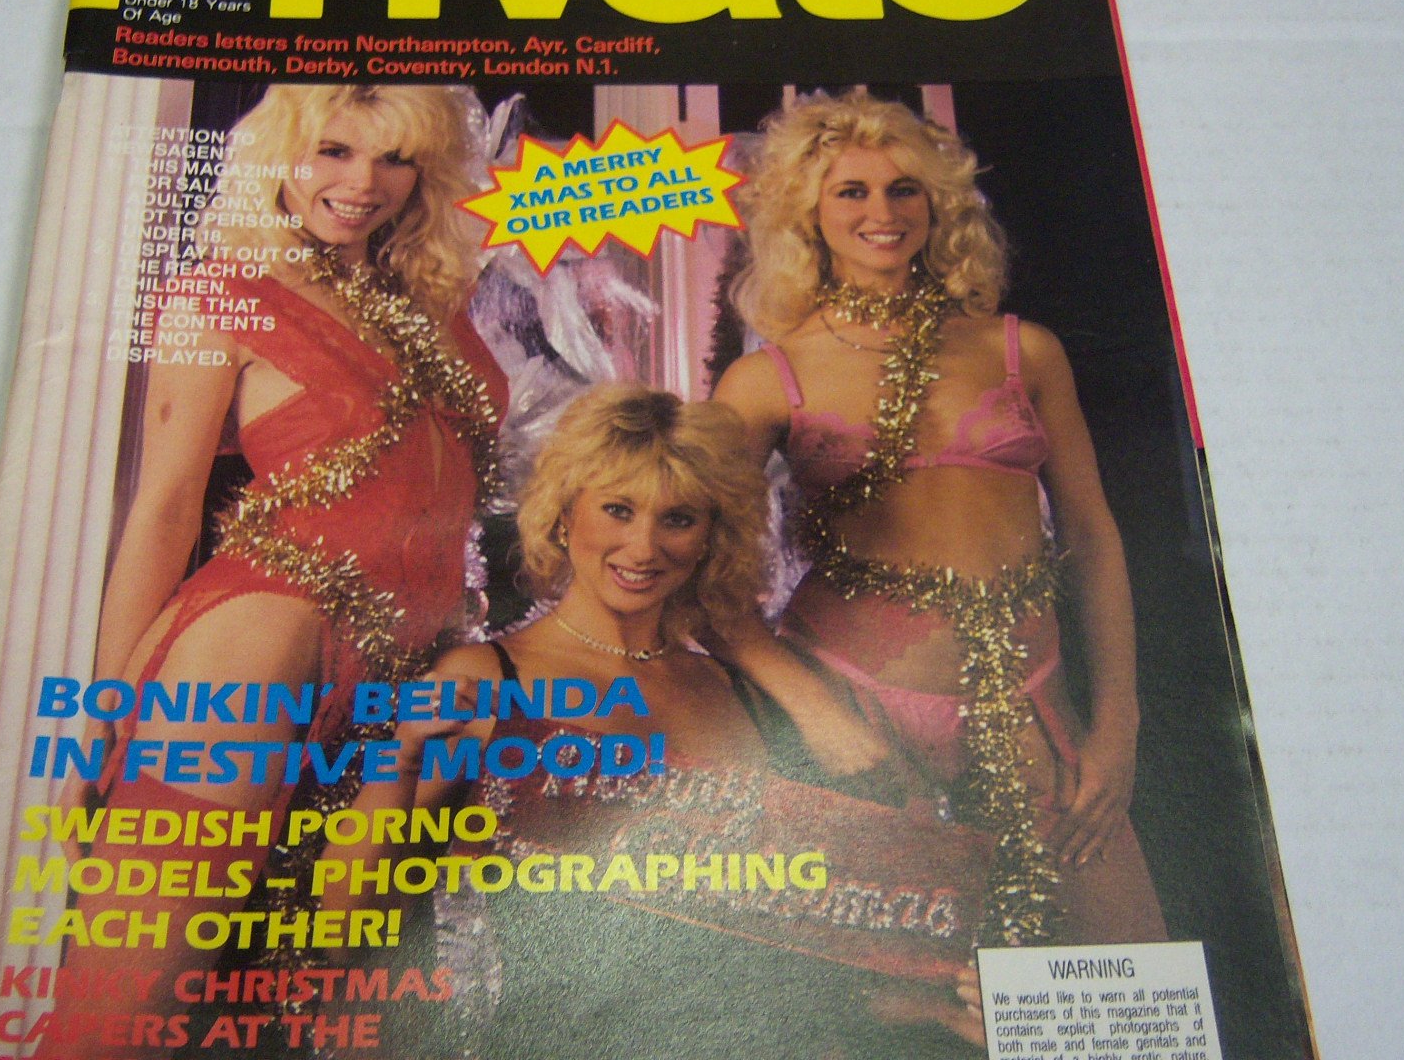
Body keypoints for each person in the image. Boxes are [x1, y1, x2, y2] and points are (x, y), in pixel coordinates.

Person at [34, 85, 506, 1058]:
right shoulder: (223, 293)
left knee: (299, 1016)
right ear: (281, 153)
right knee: (119, 1021)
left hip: (404, 672)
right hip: (261, 642)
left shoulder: (437, 304)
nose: (362, 182)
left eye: (393, 158)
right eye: (333, 150)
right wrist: (107, 713)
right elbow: (165, 506)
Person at [325, 385, 991, 1058]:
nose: (643, 547)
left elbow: (805, 938)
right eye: (618, 510)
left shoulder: (735, 688)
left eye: (678, 519)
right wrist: (401, 760)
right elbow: (343, 931)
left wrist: (934, 1000)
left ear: (710, 537)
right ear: (564, 515)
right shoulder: (487, 678)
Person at [712, 91, 1166, 947]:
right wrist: (809, 707)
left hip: (1027, 697)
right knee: (896, 987)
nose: (881, 212)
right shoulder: (767, 378)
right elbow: (700, 573)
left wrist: (1118, 726)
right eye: (851, 191)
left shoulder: (1022, 350)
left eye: (904, 189)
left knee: (1127, 958)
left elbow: (1094, 539)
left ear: (939, 204)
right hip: (853, 702)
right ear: (807, 213)